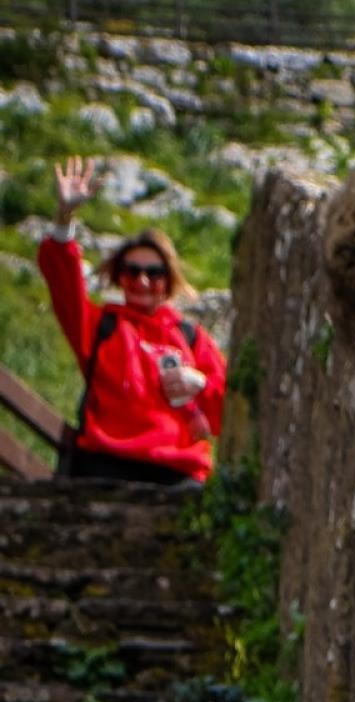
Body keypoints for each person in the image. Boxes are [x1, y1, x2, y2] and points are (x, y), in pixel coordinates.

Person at [37, 156, 227, 485]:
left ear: (169, 281)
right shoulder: (101, 327)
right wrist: (64, 216)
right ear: (118, 278)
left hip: (177, 473)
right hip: (108, 463)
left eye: (153, 274)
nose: (141, 282)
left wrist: (199, 384)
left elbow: (229, 408)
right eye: (131, 272)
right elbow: (63, 282)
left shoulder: (191, 338)